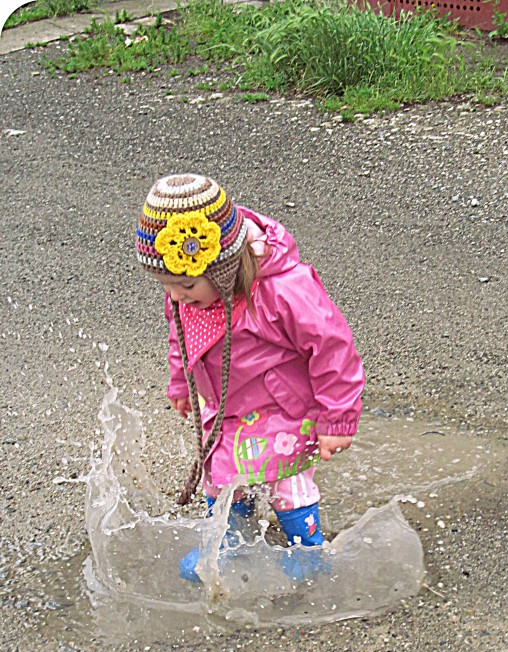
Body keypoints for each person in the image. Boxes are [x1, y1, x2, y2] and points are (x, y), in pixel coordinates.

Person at [135, 173, 365, 582]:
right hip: (226, 410)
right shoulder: (188, 293)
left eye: (184, 285)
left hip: (284, 410)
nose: (175, 296)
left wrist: (338, 419)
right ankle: (230, 541)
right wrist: (179, 381)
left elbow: (333, 349)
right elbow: (181, 336)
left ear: (225, 267)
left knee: (286, 484)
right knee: (219, 478)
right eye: (165, 286)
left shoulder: (283, 291)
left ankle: (307, 551)